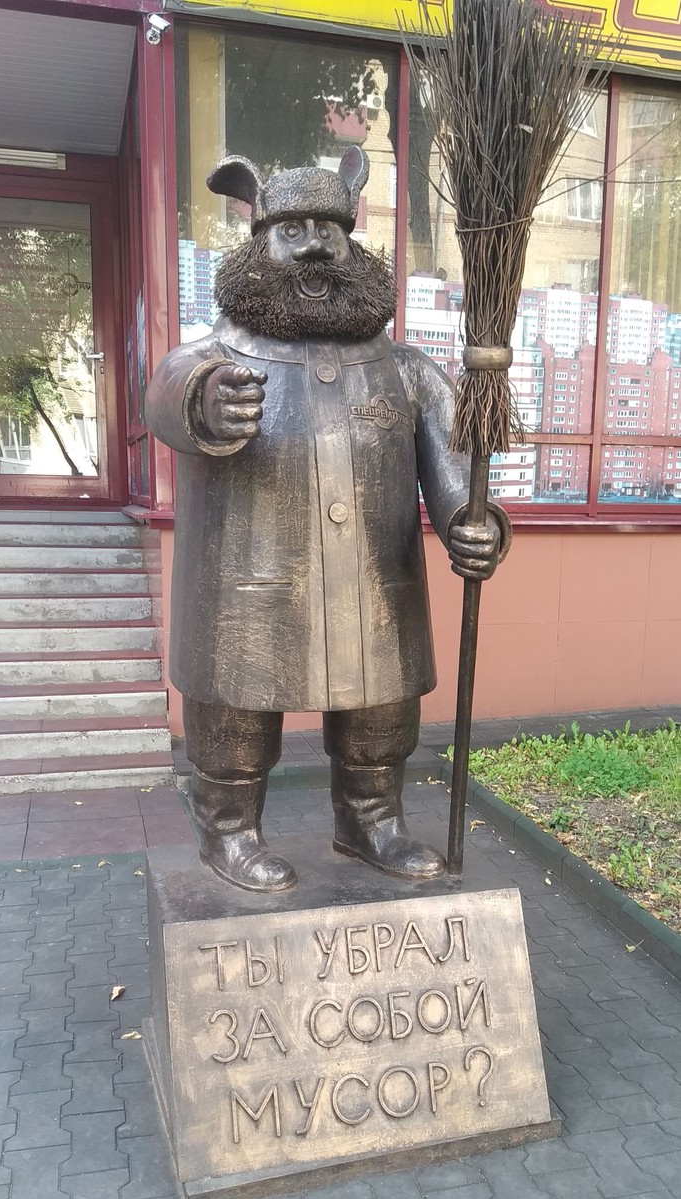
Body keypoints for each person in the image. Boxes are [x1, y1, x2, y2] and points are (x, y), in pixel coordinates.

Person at [145, 146, 511, 893]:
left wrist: (477, 526)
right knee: (237, 716)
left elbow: (455, 477)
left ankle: (371, 819)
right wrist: (206, 402)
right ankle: (229, 829)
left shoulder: (408, 371)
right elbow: (169, 395)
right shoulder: (211, 360)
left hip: (374, 585)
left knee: (380, 711)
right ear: (257, 243)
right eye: (293, 230)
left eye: (329, 231)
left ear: (353, 245)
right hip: (247, 590)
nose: (314, 245)